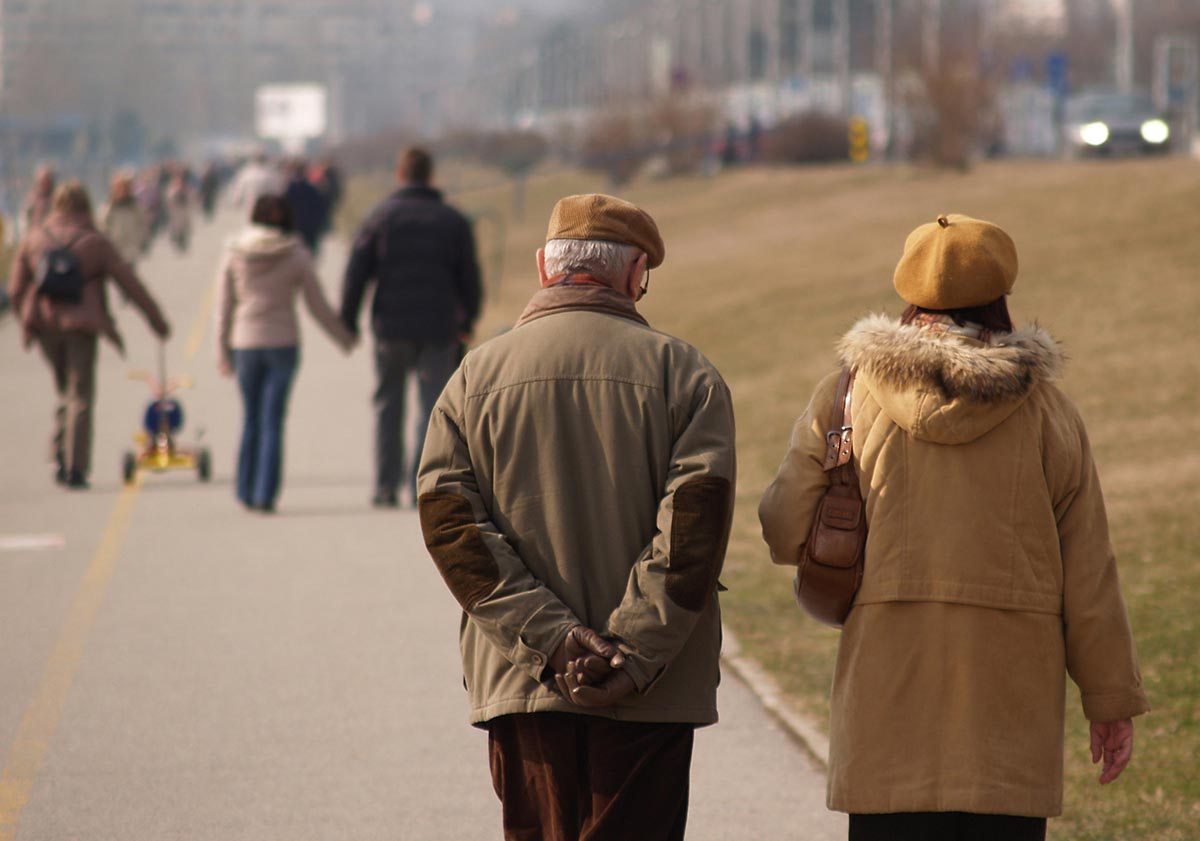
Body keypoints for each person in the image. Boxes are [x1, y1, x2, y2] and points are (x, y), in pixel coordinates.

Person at [759, 214, 1150, 841]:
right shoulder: (1051, 413)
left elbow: (783, 529)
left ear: (909, 291)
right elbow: (1090, 571)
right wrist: (1110, 702)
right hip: (1008, 716)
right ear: (1001, 296)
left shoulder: (844, 396)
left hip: (886, 701)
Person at [417, 194, 736, 841]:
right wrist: (630, 655)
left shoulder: (473, 376)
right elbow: (692, 535)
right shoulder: (688, 376)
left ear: (544, 266)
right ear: (636, 272)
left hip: (524, 681)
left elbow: (451, 526)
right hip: (651, 690)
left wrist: (552, 640)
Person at [340, 146, 481, 508]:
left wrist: (348, 320)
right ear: (430, 176)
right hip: (439, 327)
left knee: (388, 404)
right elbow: (469, 276)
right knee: (433, 408)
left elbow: (356, 273)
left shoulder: (379, 218)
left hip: (390, 327)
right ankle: (421, 482)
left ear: (400, 175)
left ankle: (385, 485)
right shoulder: (452, 220)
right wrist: (468, 319)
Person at [6, 181, 171, 488]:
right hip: (82, 327)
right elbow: (129, 283)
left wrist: (27, 318)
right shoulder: (95, 242)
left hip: (45, 328)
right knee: (79, 395)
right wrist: (157, 321)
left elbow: (15, 288)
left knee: (64, 391)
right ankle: (75, 468)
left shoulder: (35, 238)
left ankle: (59, 454)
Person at [214, 194, 356, 513]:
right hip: (283, 344)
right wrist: (344, 338)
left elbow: (224, 307)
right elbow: (317, 305)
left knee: (250, 417)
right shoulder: (296, 254)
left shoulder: (234, 253)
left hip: (245, 344)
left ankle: (244, 491)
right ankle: (265, 494)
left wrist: (221, 352)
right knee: (272, 421)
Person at [101, 171, 148, 269]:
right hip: (114, 248)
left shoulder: (134, 207)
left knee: (129, 271)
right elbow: (103, 226)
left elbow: (142, 224)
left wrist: (140, 241)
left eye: (125, 188)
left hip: (131, 249)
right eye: (119, 188)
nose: (122, 192)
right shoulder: (110, 207)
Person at [282, 159, 330, 255]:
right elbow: (321, 208)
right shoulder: (314, 189)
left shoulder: (288, 189)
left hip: (293, 228)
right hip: (309, 229)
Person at [21, 165, 56, 235]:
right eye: (43, 181)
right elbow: (26, 216)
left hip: (52, 234)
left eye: (47, 181)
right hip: (35, 233)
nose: (45, 184)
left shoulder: (56, 197)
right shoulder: (33, 198)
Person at [165, 170, 192, 253]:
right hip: (176, 213)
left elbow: (190, 199)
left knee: (184, 229)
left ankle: (183, 245)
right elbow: (169, 201)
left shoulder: (186, 189)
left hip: (184, 212)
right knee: (176, 230)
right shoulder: (172, 190)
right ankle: (177, 243)